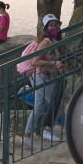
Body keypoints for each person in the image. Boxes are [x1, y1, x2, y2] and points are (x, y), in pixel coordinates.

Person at [23, 14, 64, 145]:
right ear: (46, 27)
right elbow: (35, 61)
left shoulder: (54, 40)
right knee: (57, 104)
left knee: (38, 108)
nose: (54, 27)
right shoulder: (46, 42)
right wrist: (55, 63)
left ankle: (27, 135)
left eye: (56, 25)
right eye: (51, 25)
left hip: (44, 77)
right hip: (42, 77)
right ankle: (47, 129)